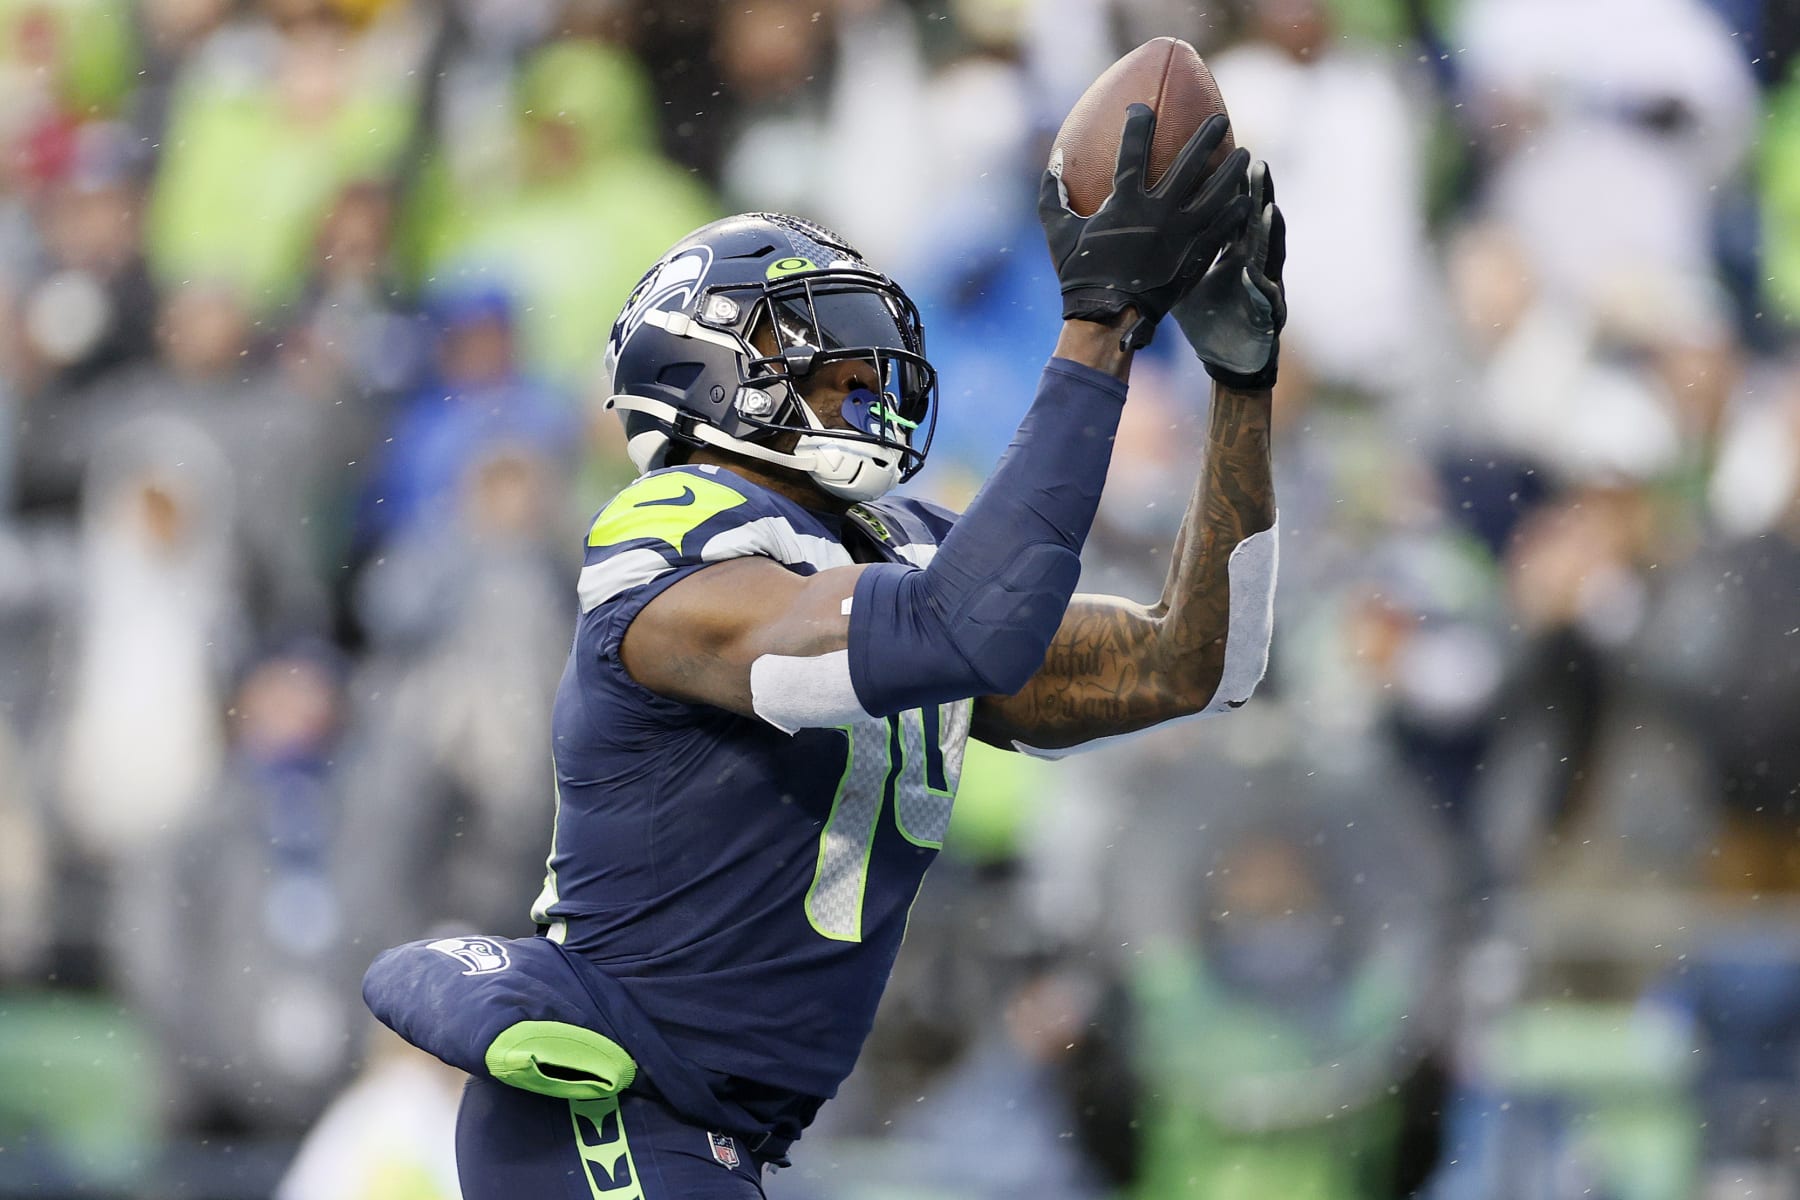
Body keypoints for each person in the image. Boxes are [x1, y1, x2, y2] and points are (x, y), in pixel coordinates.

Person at [364, 105, 1287, 1198]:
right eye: (810, 354)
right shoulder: (667, 539)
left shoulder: (899, 551)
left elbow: (1194, 660)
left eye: (862, 368)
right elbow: (965, 627)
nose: (858, 383)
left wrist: (1239, 384)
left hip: (721, 1136)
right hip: (607, 1111)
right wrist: (1098, 327)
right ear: (697, 362)